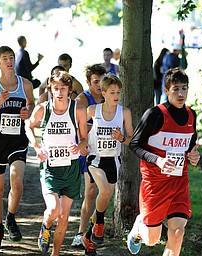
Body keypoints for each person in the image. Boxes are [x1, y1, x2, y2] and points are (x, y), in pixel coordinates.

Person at [127, 67, 200, 256]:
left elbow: (191, 146)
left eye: (184, 88)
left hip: (179, 182)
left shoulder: (191, 115)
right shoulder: (154, 114)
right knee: (152, 240)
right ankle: (140, 225)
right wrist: (157, 160)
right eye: (176, 89)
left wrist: (194, 155)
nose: (181, 93)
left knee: (178, 231)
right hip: (155, 183)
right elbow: (134, 144)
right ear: (166, 91)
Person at [25, 70, 88, 256]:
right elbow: (28, 126)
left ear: (69, 90)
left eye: (63, 88)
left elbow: (84, 139)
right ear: (50, 89)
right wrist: (37, 146)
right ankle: (45, 226)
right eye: (56, 88)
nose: (59, 92)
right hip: (50, 168)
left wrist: (79, 146)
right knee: (53, 209)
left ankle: (56, 253)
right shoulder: (43, 108)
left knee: (64, 216)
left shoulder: (78, 109)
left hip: (71, 168)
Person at [0, 46, 35, 249]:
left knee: (16, 181)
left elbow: (31, 105)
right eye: (5, 58)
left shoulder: (25, 84)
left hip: (18, 142)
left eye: (12, 57)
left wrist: (28, 112)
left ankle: (10, 218)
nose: (10, 61)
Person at [82, 74, 133, 256]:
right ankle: (101, 223)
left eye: (118, 92)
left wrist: (122, 138)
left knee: (104, 199)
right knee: (103, 192)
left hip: (113, 160)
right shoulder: (92, 111)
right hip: (95, 159)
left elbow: (130, 139)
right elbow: (80, 127)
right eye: (112, 92)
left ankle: (88, 235)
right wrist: (83, 141)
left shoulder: (124, 112)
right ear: (103, 93)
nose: (116, 95)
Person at [71, 64, 106, 248]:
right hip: (89, 151)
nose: (99, 85)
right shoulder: (82, 100)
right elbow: (78, 127)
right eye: (95, 81)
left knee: (105, 193)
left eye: (102, 80)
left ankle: (94, 227)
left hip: (107, 151)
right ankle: (80, 232)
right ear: (88, 82)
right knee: (90, 192)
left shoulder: (110, 96)